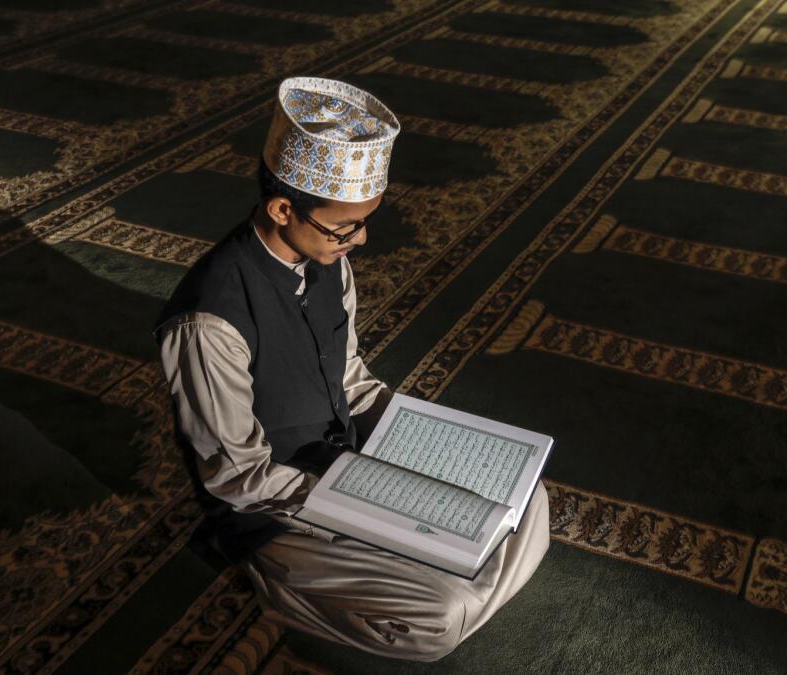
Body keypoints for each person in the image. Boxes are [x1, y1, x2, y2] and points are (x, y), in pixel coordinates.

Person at [154, 77, 550, 661]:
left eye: (365, 223)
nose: (359, 240)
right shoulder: (208, 322)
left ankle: (450, 570)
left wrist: (440, 440)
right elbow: (237, 476)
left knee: (528, 497)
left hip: (347, 458)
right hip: (276, 508)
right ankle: (291, 588)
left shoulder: (327, 260)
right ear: (284, 209)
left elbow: (353, 381)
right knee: (438, 618)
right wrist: (359, 499)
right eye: (346, 227)